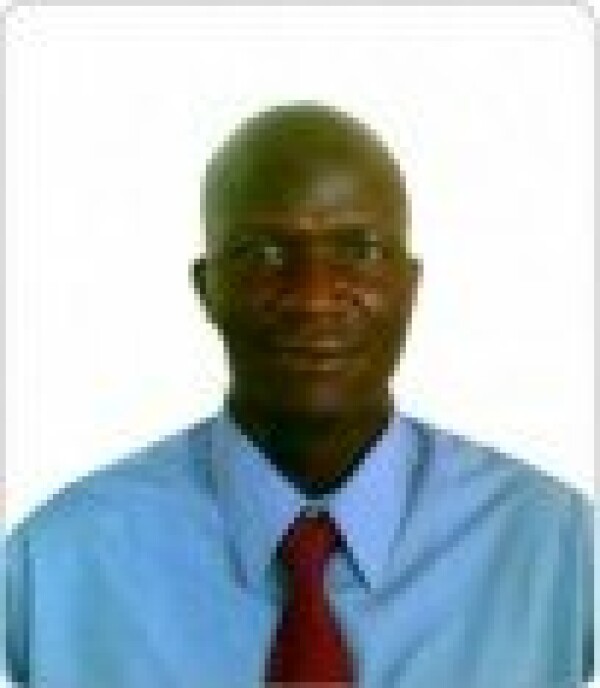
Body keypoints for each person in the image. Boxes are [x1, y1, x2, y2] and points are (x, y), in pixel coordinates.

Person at [4, 103, 593, 688]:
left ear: (410, 287)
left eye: (359, 250)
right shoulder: (55, 570)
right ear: (207, 289)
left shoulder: (561, 556)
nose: (313, 297)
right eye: (263, 253)